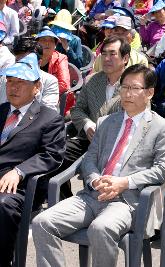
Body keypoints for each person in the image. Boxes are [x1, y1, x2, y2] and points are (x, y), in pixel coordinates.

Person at [32, 63, 165, 267]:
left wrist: (124, 182)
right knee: (42, 223)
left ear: (149, 92)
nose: (127, 93)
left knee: (100, 228)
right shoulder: (106, 122)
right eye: (124, 87)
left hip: (126, 201)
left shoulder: (162, 127)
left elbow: (162, 169)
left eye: (134, 88)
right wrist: (95, 179)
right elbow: (89, 158)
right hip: (92, 194)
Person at [0, 53, 65, 267]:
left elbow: (52, 155)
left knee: (2, 204)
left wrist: (19, 171)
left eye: (21, 82)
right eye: (10, 81)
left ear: (37, 87)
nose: (13, 87)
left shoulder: (49, 118)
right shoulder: (1, 111)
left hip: (17, 186)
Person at [53, 36, 129, 199]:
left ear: (125, 58)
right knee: (56, 154)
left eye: (113, 54)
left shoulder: (133, 84)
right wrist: (87, 124)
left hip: (117, 145)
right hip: (88, 139)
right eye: (104, 54)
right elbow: (77, 109)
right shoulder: (93, 80)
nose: (107, 59)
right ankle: (63, 199)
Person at [0, 38, 59, 112]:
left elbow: (48, 111)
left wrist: (32, 92)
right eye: (18, 62)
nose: (21, 66)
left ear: (39, 63)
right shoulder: (6, 78)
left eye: (26, 63)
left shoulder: (49, 81)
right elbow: (2, 103)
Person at [35, 27, 72, 115]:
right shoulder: (32, 57)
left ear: (55, 45)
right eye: (43, 40)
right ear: (37, 43)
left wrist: (41, 92)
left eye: (51, 40)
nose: (47, 43)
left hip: (53, 99)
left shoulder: (61, 58)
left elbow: (64, 85)